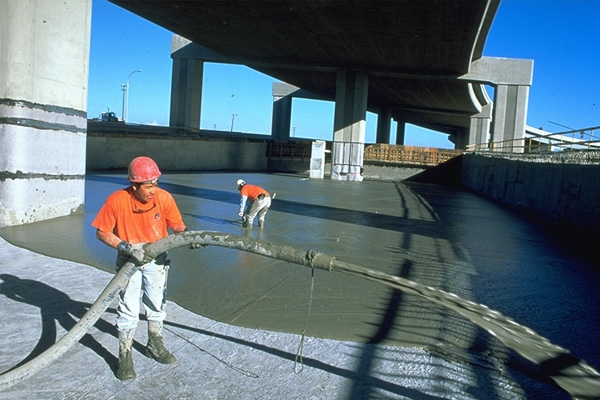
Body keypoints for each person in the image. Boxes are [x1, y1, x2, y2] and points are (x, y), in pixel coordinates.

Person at [92, 156, 186, 380]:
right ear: (134, 185)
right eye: (148, 185)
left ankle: (155, 344)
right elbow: (102, 232)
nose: (153, 189)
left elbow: (178, 227)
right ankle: (125, 355)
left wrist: (187, 237)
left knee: (156, 302)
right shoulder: (117, 201)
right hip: (129, 261)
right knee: (128, 308)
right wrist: (124, 246)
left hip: (157, 258)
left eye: (156, 183)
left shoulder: (164, 198)